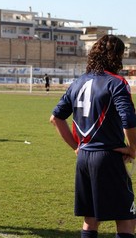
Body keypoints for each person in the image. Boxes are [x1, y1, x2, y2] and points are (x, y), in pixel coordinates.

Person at [50, 35, 136, 238]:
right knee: (126, 220)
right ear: (117, 56)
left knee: (90, 219)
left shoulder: (78, 82)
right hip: (108, 156)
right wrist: (133, 148)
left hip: (84, 158)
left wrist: (76, 147)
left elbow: (55, 118)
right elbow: (130, 120)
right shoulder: (117, 83)